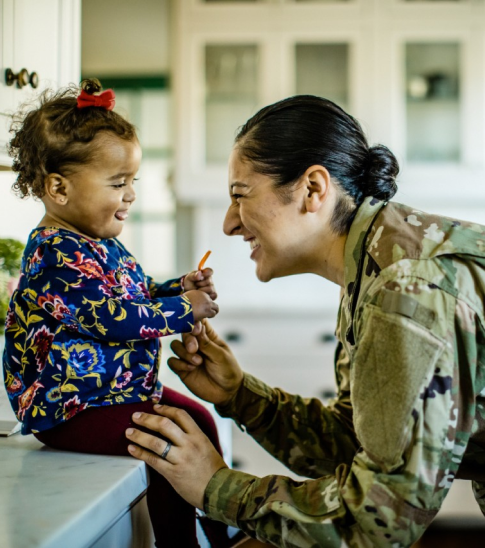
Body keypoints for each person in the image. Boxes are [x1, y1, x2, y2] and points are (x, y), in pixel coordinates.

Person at [124, 95, 485, 547]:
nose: (228, 224)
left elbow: (380, 523)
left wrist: (217, 486)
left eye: (240, 196)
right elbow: (360, 441)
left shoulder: (404, 288)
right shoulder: (376, 261)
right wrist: (240, 396)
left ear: (313, 189)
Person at [2, 79, 234, 547]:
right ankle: (180, 543)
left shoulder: (100, 245)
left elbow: (135, 293)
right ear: (59, 188)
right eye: (117, 182)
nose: (130, 195)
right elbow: (107, 318)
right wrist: (181, 312)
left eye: (133, 182)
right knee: (166, 445)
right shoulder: (54, 254)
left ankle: (221, 532)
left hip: (115, 392)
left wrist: (176, 288)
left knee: (202, 421)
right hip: (71, 405)